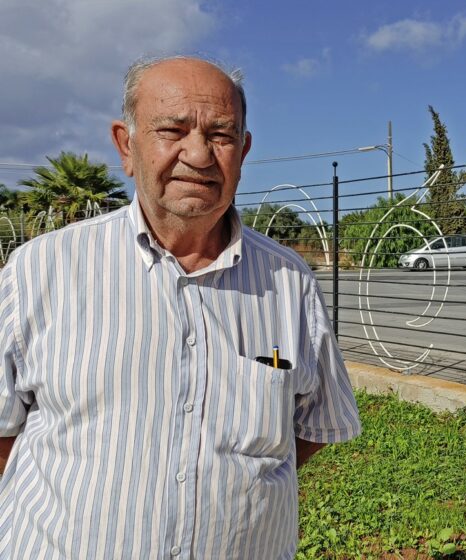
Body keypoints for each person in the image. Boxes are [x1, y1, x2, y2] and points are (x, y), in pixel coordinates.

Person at [0, 55, 361, 559]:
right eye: (173, 129)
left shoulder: (288, 280)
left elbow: (316, 425)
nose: (199, 153)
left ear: (244, 149)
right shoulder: (40, 270)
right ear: (127, 146)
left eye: (221, 135)